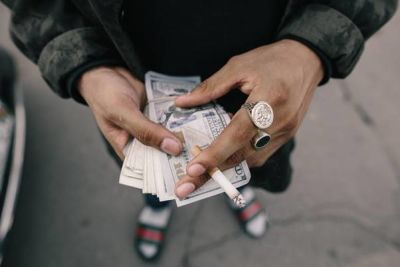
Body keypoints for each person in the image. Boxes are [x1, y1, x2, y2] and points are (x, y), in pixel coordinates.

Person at [2, 0, 397, 261]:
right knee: (157, 176)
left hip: (260, 78)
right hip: (134, 79)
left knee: (246, 160)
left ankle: (240, 191)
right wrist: (85, 65)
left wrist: (310, 48)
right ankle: (157, 208)